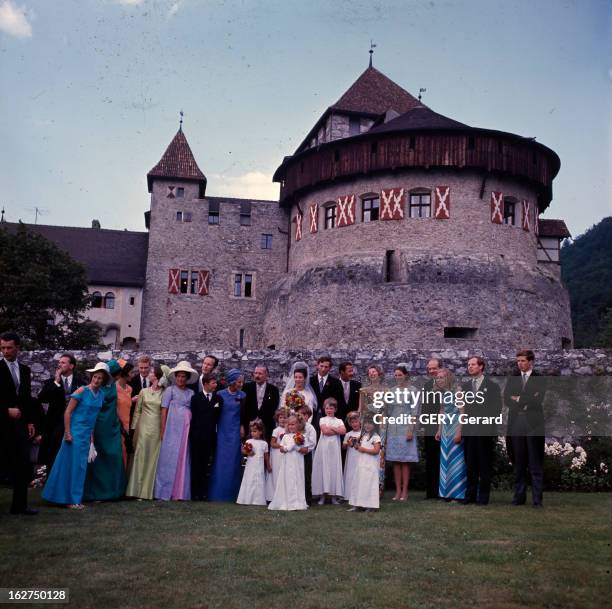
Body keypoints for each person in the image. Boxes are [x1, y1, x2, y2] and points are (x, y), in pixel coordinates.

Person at [42, 363, 110, 509]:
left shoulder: (101, 395)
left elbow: (93, 417)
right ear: (91, 377)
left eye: (100, 378)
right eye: (95, 377)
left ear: (103, 381)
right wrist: (67, 432)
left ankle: (68, 498)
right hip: (74, 433)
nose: (96, 380)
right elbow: (67, 412)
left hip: (86, 434)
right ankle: (71, 500)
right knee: (73, 466)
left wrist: (91, 437)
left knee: (79, 466)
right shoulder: (81, 390)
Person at [0, 331, 39, 515]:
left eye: (9, 348)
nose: (5, 351)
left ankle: (20, 506)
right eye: (2, 348)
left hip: (20, 426)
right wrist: (6, 411)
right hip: (1, 425)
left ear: (18, 348)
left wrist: (30, 421)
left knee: (23, 465)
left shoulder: (25, 370)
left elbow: (26, 399)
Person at [504, 349, 546, 508]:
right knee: (519, 461)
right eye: (518, 361)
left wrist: (519, 398)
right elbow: (507, 399)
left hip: (533, 423)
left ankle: (537, 500)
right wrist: (526, 400)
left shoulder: (540, 379)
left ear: (530, 361)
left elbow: (538, 400)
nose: (520, 363)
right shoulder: (513, 378)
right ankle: (518, 498)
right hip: (516, 423)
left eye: (522, 360)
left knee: (535, 462)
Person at [83, 359, 127, 502]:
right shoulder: (96, 387)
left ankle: (115, 491)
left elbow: (115, 405)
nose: (116, 376)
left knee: (114, 456)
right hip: (100, 425)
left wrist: (120, 424)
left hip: (112, 425)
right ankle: (97, 493)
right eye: (115, 374)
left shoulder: (113, 386)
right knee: (100, 457)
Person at [154, 361, 198, 501]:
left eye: (183, 376)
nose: (180, 379)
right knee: (168, 458)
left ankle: (180, 492)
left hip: (185, 428)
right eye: (178, 376)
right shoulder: (170, 390)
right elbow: (164, 410)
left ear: (187, 378)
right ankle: (164, 491)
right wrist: (163, 429)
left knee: (182, 457)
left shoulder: (191, 393)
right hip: (171, 427)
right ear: (175, 377)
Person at [462, 356, 502, 505]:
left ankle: (483, 497)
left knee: (484, 464)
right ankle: (470, 496)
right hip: (469, 430)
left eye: (473, 364)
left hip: (484, 429)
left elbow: (496, 408)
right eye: (468, 365)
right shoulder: (466, 386)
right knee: (470, 464)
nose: (470, 367)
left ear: (481, 366)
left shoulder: (492, 386)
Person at [38, 353, 86, 472]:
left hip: (74, 424)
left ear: (71, 366)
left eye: (63, 362)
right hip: (54, 425)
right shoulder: (51, 382)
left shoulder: (81, 383)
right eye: (59, 363)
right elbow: (42, 398)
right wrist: (56, 381)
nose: (59, 365)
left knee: (71, 455)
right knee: (53, 455)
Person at [126, 365, 165, 500]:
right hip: (143, 427)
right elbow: (138, 411)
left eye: (152, 372)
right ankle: (135, 490)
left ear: (157, 376)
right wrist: (133, 428)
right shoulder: (143, 391)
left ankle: (149, 491)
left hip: (156, 428)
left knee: (153, 458)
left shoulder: (164, 392)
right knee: (140, 455)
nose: (149, 373)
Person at [208, 369, 246, 501]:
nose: (241, 384)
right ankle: (217, 493)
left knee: (234, 462)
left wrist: (242, 426)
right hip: (222, 432)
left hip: (235, 433)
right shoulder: (220, 394)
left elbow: (244, 415)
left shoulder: (243, 396)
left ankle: (233, 494)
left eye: (242, 382)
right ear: (231, 382)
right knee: (220, 461)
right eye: (239, 382)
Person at [385, 365, 419, 501]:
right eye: (396, 375)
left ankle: (405, 491)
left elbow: (415, 412)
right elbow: (387, 411)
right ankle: (397, 491)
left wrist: (410, 430)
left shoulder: (413, 391)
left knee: (405, 461)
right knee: (395, 461)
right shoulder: (391, 391)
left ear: (406, 375)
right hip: (393, 428)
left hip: (406, 428)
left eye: (400, 375)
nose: (398, 377)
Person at [435, 369, 466, 502]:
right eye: (438, 378)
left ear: (448, 378)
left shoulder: (458, 391)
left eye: (442, 377)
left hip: (455, 427)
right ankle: (446, 493)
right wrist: (438, 430)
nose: (439, 380)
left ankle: (458, 495)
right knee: (445, 461)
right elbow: (442, 411)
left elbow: (463, 413)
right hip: (446, 429)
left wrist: (459, 431)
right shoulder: (443, 393)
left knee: (456, 461)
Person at [189, 372, 222, 500]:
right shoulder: (195, 398)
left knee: (206, 465)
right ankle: (194, 492)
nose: (215, 385)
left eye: (215, 382)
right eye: (213, 383)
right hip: (197, 437)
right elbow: (194, 417)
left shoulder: (218, 399)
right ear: (205, 384)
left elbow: (218, 417)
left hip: (210, 437)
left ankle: (204, 492)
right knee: (196, 464)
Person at [268, 413, 308, 511]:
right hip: (287, 462)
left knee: (298, 479)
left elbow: (305, 450)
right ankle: (287, 501)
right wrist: (286, 448)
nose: (291, 426)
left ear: (298, 425)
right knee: (288, 479)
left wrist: (297, 447)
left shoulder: (302, 436)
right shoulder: (285, 437)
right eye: (289, 424)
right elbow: (281, 449)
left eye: (293, 424)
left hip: (298, 462)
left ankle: (298, 502)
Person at [358, 364, 386, 496]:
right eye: (370, 372)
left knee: (380, 455)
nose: (372, 374)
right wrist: (360, 425)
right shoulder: (363, 390)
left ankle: (379, 489)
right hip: (367, 424)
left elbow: (387, 409)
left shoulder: (386, 390)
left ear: (379, 373)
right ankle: (365, 488)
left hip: (381, 424)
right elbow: (361, 409)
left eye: (374, 372)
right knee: (366, 453)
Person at [312, 398, 345, 505]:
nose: (329, 410)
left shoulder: (339, 420)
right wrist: (336, 430)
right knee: (323, 468)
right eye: (327, 408)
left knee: (334, 468)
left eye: (331, 408)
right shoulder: (322, 419)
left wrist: (332, 428)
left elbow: (343, 431)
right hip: (324, 448)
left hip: (334, 448)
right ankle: (322, 496)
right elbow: (325, 432)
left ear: (335, 409)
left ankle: (334, 496)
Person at [347, 415, 382, 512]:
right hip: (361, 463)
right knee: (360, 483)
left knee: (369, 483)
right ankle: (358, 504)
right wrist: (353, 444)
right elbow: (358, 447)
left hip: (370, 465)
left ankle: (371, 505)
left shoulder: (376, 437)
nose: (367, 425)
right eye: (366, 423)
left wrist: (363, 449)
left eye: (370, 423)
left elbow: (376, 451)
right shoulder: (363, 436)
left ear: (375, 425)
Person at [241, 365, 279, 442]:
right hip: (248, 427)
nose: (257, 376)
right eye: (256, 373)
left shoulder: (273, 390)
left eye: (260, 373)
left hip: (266, 427)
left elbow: (274, 407)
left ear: (266, 375)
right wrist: (241, 425)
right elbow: (242, 408)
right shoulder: (246, 387)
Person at [237, 419, 270, 506]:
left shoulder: (264, 443)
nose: (252, 433)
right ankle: (247, 499)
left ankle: (258, 500)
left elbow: (266, 456)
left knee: (259, 481)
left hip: (259, 466)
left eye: (255, 431)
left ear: (261, 432)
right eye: (251, 431)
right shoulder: (249, 441)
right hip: (251, 465)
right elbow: (243, 451)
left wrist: (268, 465)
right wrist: (248, 452)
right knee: (249, 479)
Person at [422, 358, 443, 499]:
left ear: (440, 368)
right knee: (431, 459)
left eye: (434, 368)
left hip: (443, 426)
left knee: (443, 459)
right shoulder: (427, 385)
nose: (431, 371)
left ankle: (443, 491)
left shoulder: (447, 385)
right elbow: (424, 407)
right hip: (429, 426)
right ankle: (431, 492)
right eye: (429, 369)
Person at [310, 356, 343, 433]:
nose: (323, 369)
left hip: (329, 416)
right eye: (321, 366)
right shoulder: (310, 381)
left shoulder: (336, 382)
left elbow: (339, 401)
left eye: (326, 367)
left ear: (330, 368)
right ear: (317, 365)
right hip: (312, 415)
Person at [265, 407, 289, 502]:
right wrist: (282, 446)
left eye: (285, 417)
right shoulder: (276, 430)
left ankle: (283, 495)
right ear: (277, 419)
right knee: (276, 473)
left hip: (285, 454)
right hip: (277, 455)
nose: (283, 420)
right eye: (280, 418)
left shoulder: (289, 430)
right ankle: (273, 495)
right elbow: (272, 443)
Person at [294, 404, 317, 504]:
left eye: (305, 414)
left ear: (309, 416)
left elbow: (313, 442)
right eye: (301, 414)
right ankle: (296, 497)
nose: (303, 416)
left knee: (306, 476)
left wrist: (306, 449)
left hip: (306, 454)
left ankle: (307, 498)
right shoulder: (295, 426)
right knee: (296, 475)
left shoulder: (310, 428)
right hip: (295, 454)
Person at [115, 361, 134, 468]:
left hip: (127, 427)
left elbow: (125, 404)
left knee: (125, 455)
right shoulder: (114, 388)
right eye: (131, 372)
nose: (132, 374)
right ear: (124, 373)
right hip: (117, 427)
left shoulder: (130, 389)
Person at [342, 411, 361, 502]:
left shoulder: (363, 434)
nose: (354, 424)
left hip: (360, 456)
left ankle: (359, 494)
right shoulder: (348, 434)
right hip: (351, 457)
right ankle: (349, 495)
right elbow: (344, 446)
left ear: (360, 422)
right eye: (352, 422)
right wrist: (348, 444)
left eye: (356, 422)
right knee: (351, 473)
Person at [129, 355, 152, 424]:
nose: (143, 370)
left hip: (151, 417)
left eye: (146, 368)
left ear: (150, 367)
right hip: (136, 418)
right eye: (141, 368)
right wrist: (132, 400)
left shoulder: (155, 380)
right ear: (138, 367)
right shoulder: (131, 381)